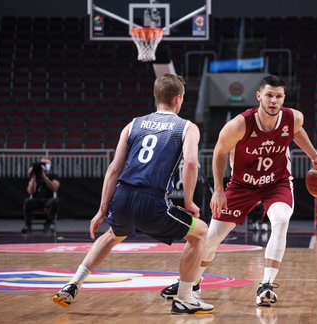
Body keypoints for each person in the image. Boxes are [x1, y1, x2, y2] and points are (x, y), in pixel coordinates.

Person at [160, 75, 317, 306]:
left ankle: (266, 284)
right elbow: (219, 153)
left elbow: (296, 130)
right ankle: (192, 283)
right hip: (242, 185)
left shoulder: (293, 118)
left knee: (281, 220)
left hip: (276, 183)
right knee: (210, 239)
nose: (274, 101)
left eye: (279, 96)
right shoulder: (239, 124)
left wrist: (314, 156)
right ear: (259, 96)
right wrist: (219, 190)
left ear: (283, 99)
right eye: (269, 95)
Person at [52, 73, 214, 315]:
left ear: (156, 96)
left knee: (113, 235)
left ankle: (73, 283)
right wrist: (189, 201)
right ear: (178, 99)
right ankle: (185, 297)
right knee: (200, 233)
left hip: (122, 196)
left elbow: (114, 168)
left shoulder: (134, 123)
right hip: (151, 200)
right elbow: (191, 163)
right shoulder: (186, 127)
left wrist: (102, 209)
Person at [22, 157, 60, 233]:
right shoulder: (35, 176)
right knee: (27, 201)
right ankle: (27, 225)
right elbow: (30, 191)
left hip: (48, 200)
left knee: (56, 201)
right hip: (36, 200)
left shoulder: (53, 176)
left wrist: (45, 177)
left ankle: (47, 224)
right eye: (42, 164)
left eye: (46, 164)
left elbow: (54, 188)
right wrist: (33, 177)